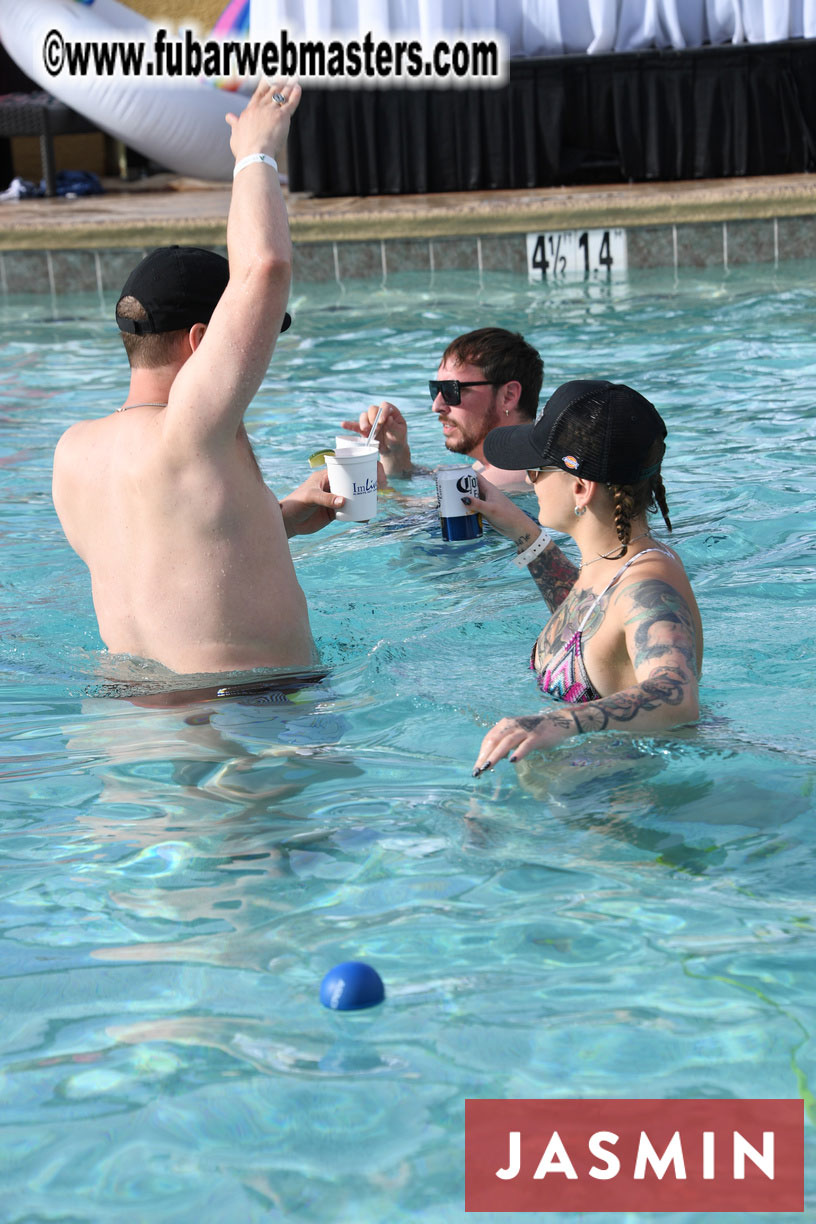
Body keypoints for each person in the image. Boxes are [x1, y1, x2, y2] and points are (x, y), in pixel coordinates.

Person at [52, 81, 343, 682]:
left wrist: (278, 517)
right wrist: (255, 154)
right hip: (249, 719)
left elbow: (158, 555)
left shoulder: (73, 453)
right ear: (200, 341)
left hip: (129, 729)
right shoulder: (191, 428)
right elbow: (264, 268)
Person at [462, 380, 703, 774]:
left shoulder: (647, 585)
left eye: (537, 467)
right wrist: (523, 532)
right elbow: (593, 626)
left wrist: (559, 722)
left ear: (580, 487)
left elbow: (675, 694)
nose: (528, 479)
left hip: (623, 810)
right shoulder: (618, 564)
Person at [340, 327, 543, 492]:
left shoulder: (512, 477)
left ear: (508, 396)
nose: (436, 406)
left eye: (451, 390)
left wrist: (374, 489)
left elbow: (408, 527)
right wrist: (395, 451)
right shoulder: (497, 466)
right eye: (436, 390)